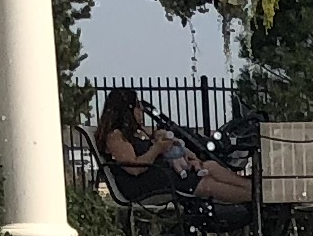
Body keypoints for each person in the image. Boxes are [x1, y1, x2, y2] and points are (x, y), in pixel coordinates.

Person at [92, 88, 252, 208]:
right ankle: (254, 197)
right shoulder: (115, 136)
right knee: (207, 184)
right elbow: (134, 168)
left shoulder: (134, 133)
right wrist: (158, 148)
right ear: (127, 110)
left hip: (162, 175)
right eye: (138, 107)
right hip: (144, 185)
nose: (141, 112)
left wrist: (183, 155)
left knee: (210, 166)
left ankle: (253, 189)